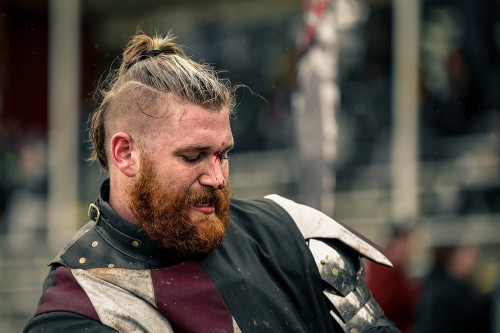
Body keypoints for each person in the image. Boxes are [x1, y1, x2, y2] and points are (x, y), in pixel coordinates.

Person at [24, 31, 399, 333]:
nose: (217, 178)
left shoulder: (286, 233)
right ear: (125, 154)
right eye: (193, 156)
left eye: (223, 155)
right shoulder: (79, 306)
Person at [416, 243, 492, 332]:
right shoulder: (446, 294)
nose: (475, 255)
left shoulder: (439, 286)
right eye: (466, 249)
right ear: (452, 255)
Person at [365, 226, 419, 333]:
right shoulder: (384, 271)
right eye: (407, 244)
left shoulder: (397, 271)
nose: (410, 251)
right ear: (397, 242)